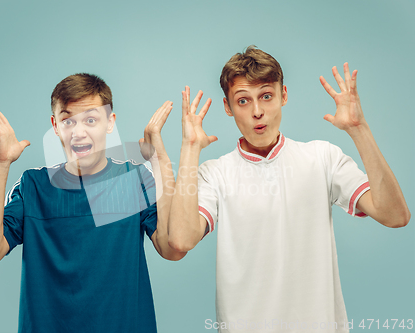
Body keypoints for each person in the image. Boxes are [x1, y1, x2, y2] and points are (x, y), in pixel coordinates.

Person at [167, 46, 410, 332]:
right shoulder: (214, 173)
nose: (257, 112)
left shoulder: (322, 158)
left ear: (283, 95)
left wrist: (359, 128)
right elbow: (181, 240)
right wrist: (190, 148)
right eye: (243, 101)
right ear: (228, 107)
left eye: (266, 96)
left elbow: (395, 216)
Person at [0, 73, 184, 333]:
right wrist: (0, 164)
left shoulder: (134, 179)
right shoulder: (34, 186)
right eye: (68, 120)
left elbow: (173, 249)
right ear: (55, 126)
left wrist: (159, 160)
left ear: (110, 122)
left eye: (91, 119)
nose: (78, 132)